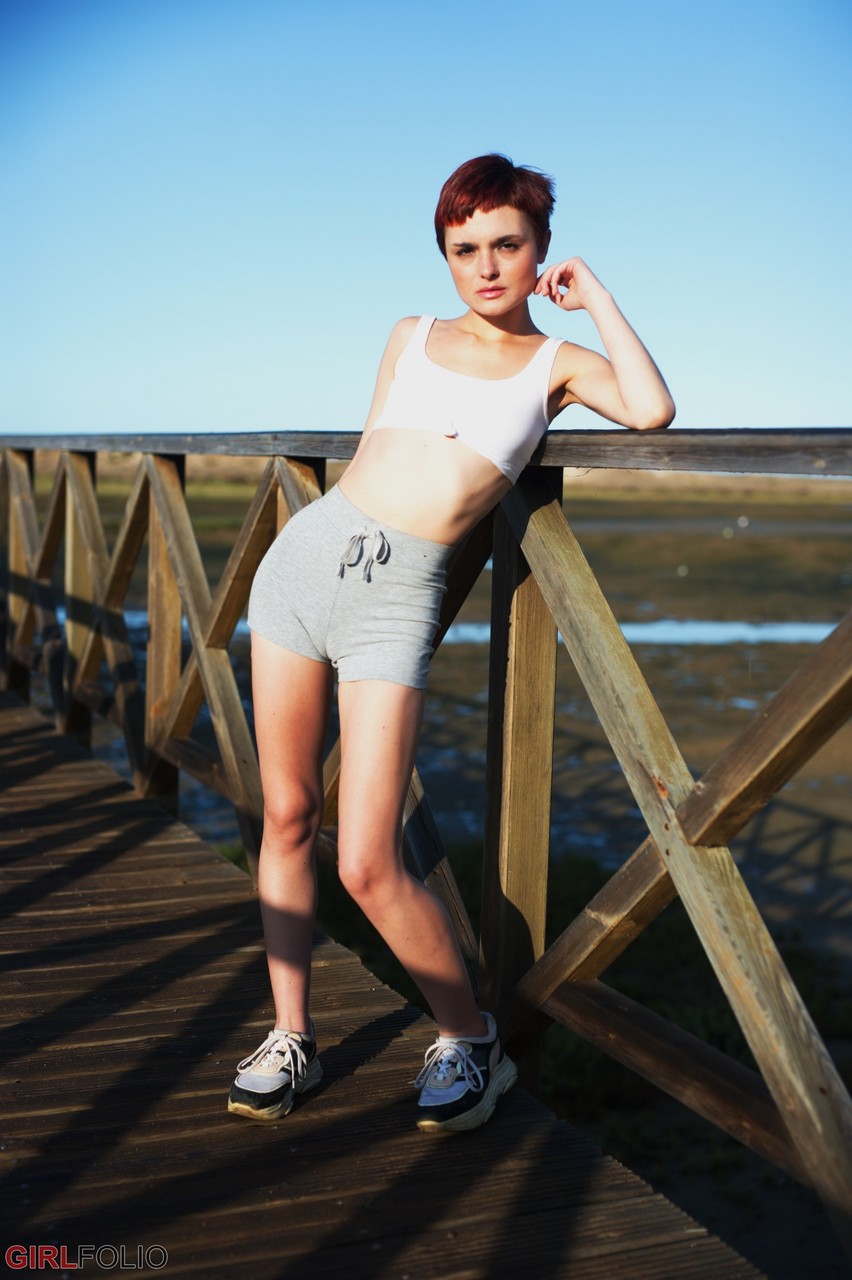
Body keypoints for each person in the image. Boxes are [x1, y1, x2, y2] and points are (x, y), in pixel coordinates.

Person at [227, 153, 675, 1133]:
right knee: (288, 812)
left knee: (367, 858)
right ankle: (291, 1034)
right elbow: (371, 457)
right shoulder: (411, 334)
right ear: (445, 255)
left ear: (541, 251)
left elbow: (651, 408)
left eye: (508, 244)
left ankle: (470, 1038)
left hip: (395, 602)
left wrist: (596, 298)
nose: (486, 265)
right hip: (303, 566)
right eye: (465, 248)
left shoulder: (557, 364)